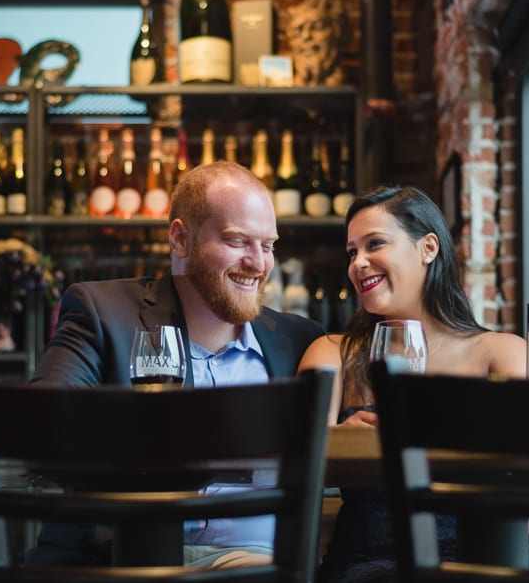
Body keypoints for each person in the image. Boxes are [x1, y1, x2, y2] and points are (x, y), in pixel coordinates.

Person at [29, 161, 326, 568]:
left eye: (268, 245)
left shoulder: (301, 341)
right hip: (124, 557)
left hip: (252, 563)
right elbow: (42, 417)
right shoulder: (102, 312)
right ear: (181, 238)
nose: (259, 263)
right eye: (238, 241)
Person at [297, 185, 527, 583]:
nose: (358, 263)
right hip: (370, 563)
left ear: (428, 248)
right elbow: (290, 453)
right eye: (352, 252)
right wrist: (335, 438)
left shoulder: (501, 353)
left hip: (485, 560)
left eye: (375, 244)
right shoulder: (333, 352)